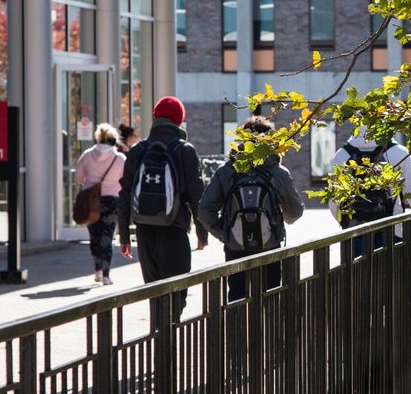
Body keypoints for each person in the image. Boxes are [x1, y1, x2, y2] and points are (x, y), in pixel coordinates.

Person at [117, 96, 208, 325]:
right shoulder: (184, 150)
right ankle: (167, 348)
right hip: (174, 231)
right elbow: (196, 196)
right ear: (179, 120)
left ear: (155, 118)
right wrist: (202, 233)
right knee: (177, 294)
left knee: (155, 296)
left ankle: (159, 348)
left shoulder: (137, 150)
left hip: (145, 233)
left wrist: (125, 237)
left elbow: (125, 194)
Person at [198, 115, 305, 302]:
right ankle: (269, 330)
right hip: (269, 244)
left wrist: (224, 233)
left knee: (237, 298)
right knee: (271, 296)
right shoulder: (278, 172)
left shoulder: (227, 171)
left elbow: (204, 210)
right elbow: (295, 212)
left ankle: (236, 330)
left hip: (235, 246)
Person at [329, 126, 411, 258]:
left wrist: (347, 224)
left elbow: (333, 201)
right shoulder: (399, 153)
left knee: (358, 277)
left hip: (354, 235)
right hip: (394, 232)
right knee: (392, 276)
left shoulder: (342, 155)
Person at [74, 123, 126, 285]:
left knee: (94, 236)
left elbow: (78, 179)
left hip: (91, 201)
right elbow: (125, 180)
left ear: (98, 137)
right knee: (107, 237)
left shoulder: (87, 155)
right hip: (112, 200)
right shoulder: (120, 158)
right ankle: (106, 274)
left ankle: (96, 270)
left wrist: (90, 183)